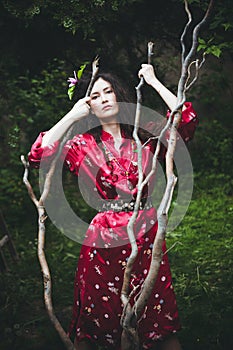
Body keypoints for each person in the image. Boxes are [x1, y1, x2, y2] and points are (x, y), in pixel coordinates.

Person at [28, 64, 198, 350]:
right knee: (99, 323)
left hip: (146, 234)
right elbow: (38, 154)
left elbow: (186, 119)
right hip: (103, 240)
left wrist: (154, 81)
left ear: (119, 96)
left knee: (158, 319)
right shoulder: (81, 144)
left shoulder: (145, 135)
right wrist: (73, 115)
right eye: (95, 95)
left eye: (108, 91)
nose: (104, 98)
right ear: (89, 106)